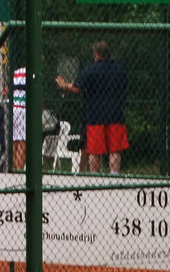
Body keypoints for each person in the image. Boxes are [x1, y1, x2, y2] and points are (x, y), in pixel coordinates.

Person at [55, 40, 128, 175]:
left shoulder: (91, 70)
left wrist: (65, 86)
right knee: (115, 150)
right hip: (115, 114)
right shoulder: (119, 69)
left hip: (95, 116)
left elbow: (77, 88)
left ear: (96, 55)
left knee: (95, 151)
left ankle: (94, 176)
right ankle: (114, 175)